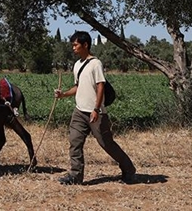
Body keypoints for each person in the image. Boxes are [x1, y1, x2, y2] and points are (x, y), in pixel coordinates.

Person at [53, 31, 136, 185]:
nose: (73, 48)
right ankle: (75, 175)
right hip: (79, 111)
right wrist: (63, 94)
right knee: (74, 142)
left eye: (76, 45)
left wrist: (96, 109)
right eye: (72, 45)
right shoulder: (77, 65)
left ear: (85, 45)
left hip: (96, 112)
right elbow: (78, 86)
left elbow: (100, 86)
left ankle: (129, 169)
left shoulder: (96, 64)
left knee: (106, 144)